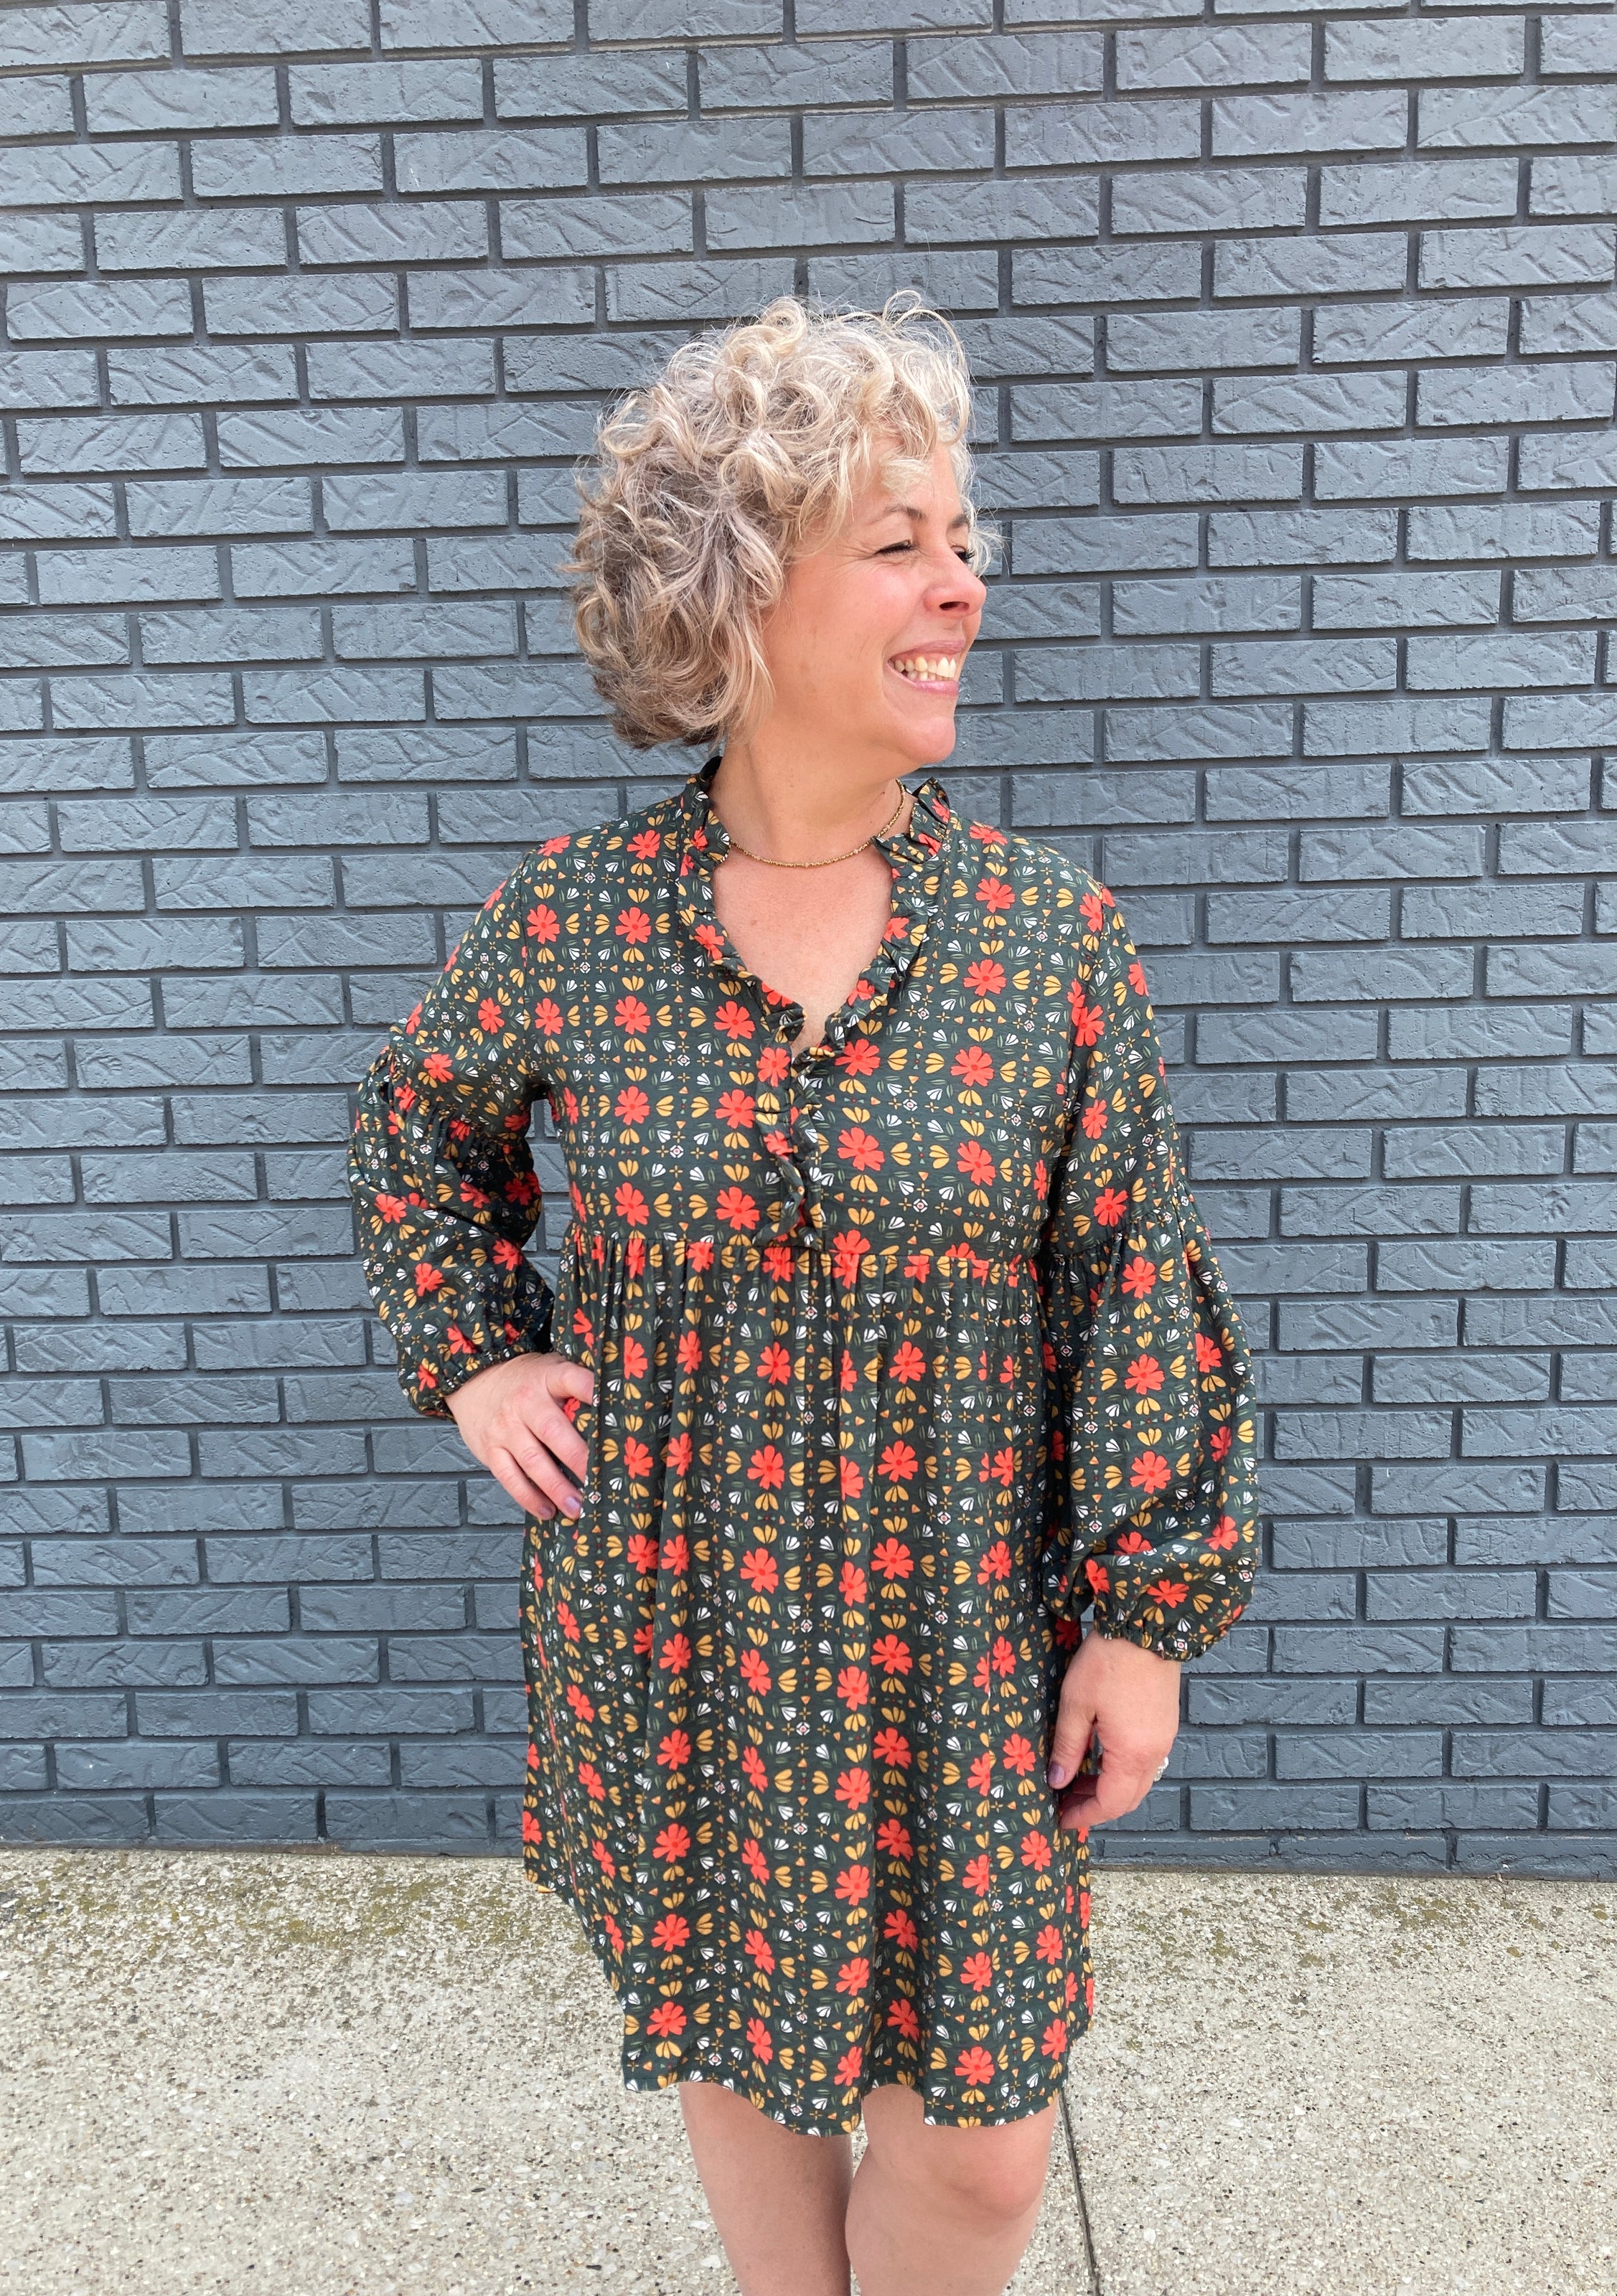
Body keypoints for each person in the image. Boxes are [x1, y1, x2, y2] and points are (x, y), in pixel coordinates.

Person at [350, 296, 1259, 2296]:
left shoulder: (1047, 946)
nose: (962, 590)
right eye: (902, 542)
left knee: (986, 2164)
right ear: (742, 592)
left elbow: (1136, 1290)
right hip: (687, 1634)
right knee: (744, 2040)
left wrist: (1147, 1617)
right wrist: (481, 1357)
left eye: (967, 544)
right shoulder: (576, 932)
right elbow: (416, 1128)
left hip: (966, 1654)